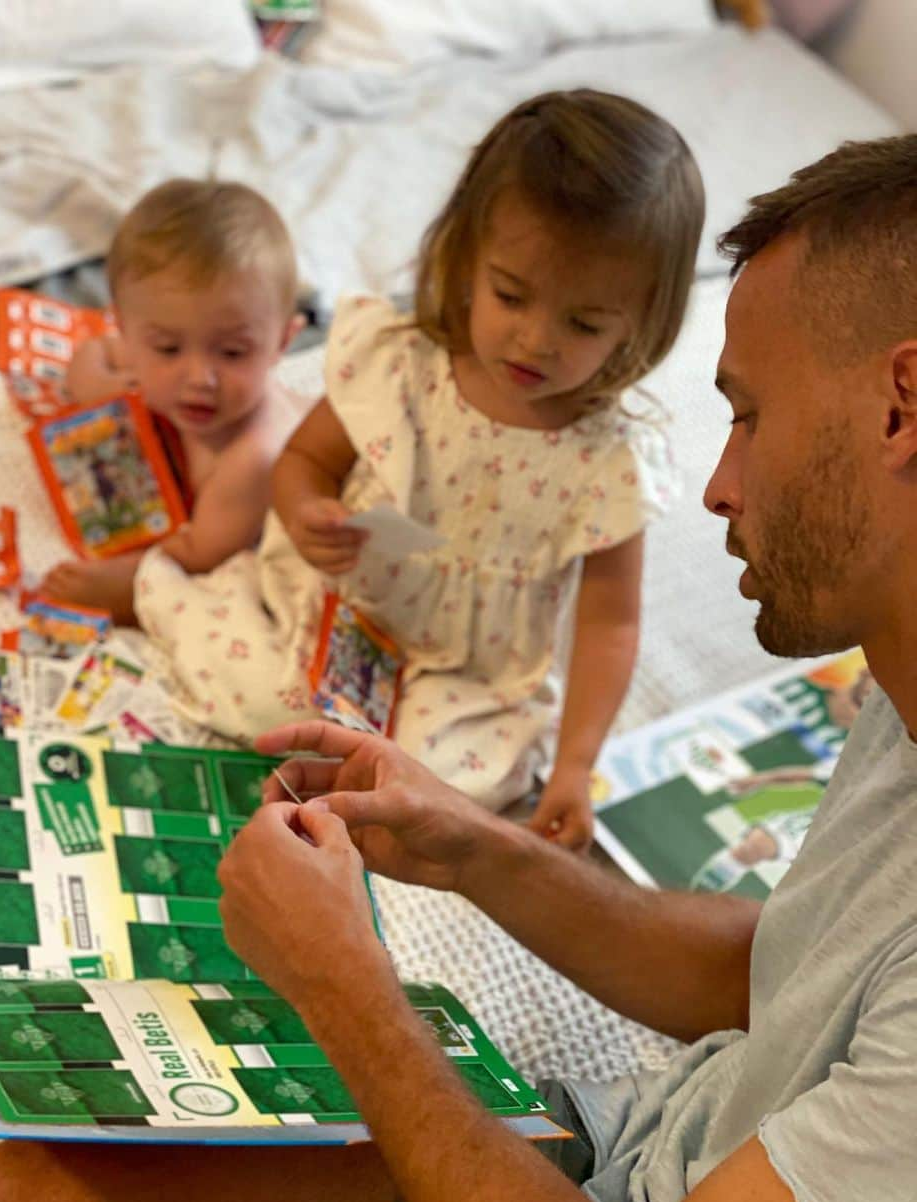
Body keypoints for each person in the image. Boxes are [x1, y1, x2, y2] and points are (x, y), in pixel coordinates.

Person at [0, 135, 917, 1202]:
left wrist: (348, 990)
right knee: (48, 1197)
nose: (723, 483)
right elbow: (782, 975)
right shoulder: (898, 672)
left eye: (749, 413)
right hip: (649, 1168)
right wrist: (475, 846)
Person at [136, 90, 704, 847]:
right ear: (466, 261)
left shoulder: (611, 463)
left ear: (644, 325)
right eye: (510, 295)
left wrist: (574, 766)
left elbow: (611, 623)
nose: (535, 340)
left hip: (468, 672)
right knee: (265, 698)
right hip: (340, 605)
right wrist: (306, 516)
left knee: (464, 783)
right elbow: (305, 461)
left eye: (584, 324)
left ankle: (366, 768)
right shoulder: (402, 363)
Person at [42, 178, 310, 624]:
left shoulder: (252, 459)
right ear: (126, 328)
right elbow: (92, 356)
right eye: (168, 348)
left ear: (283, 341)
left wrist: (116, 583)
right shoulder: (157, 363)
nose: (198, 378)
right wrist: (95, 387)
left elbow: (198, 559)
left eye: (232, 353)